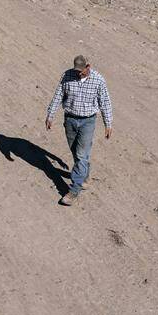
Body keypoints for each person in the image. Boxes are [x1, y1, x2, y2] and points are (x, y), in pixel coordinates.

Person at [45, 54, 113, 206]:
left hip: (88, 121)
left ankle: (73, 190)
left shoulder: (98, 80)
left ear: (88, 66)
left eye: (81, 71)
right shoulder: (67, 75)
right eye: (77, 70)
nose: (78, 73)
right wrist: (50, 114)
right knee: (76, 152)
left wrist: (108, 123)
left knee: (81, 155)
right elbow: (58, 95)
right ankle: (85, 176)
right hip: (70, 119)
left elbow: (105, 102)